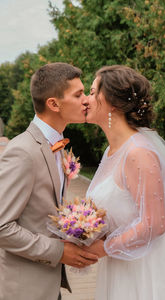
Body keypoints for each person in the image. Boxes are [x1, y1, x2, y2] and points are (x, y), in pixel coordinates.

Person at [83, 65, 165, 300]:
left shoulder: (138, 152)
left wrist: (105, 247)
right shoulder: (111, 151)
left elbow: (154, 224)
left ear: (112, 103)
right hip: (122, 265)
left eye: (93, 92)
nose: (87, 99)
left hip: (148, 271)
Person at [0, 62, 98, 300]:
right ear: (53, 104)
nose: (86, 100)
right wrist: (59, 251)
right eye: (78, 95)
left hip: (50, 284)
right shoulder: (22, 151)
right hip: (23, 289)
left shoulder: (58, 147)